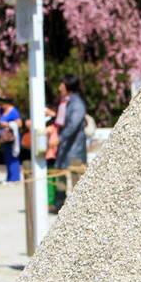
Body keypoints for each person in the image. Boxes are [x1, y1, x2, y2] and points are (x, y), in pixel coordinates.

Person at [51, 74, 87, 213]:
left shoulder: (76, 103)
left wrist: (60, 138)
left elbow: (73, 124)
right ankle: (59, 203)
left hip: (74, 146)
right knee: (60, 172)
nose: (60, 87)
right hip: (66, 145)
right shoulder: (66, 101)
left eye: (62, 84)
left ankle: (78, 206)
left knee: (75, 174)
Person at [0, 102, 22, 182]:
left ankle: (15, 177)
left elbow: (19, 124)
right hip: (4, 138)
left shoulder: (13, 111)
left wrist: (7, 124)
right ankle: (9, 177)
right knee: (7, 157)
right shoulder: (2, 110)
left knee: (13, 157)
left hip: (11, 138)